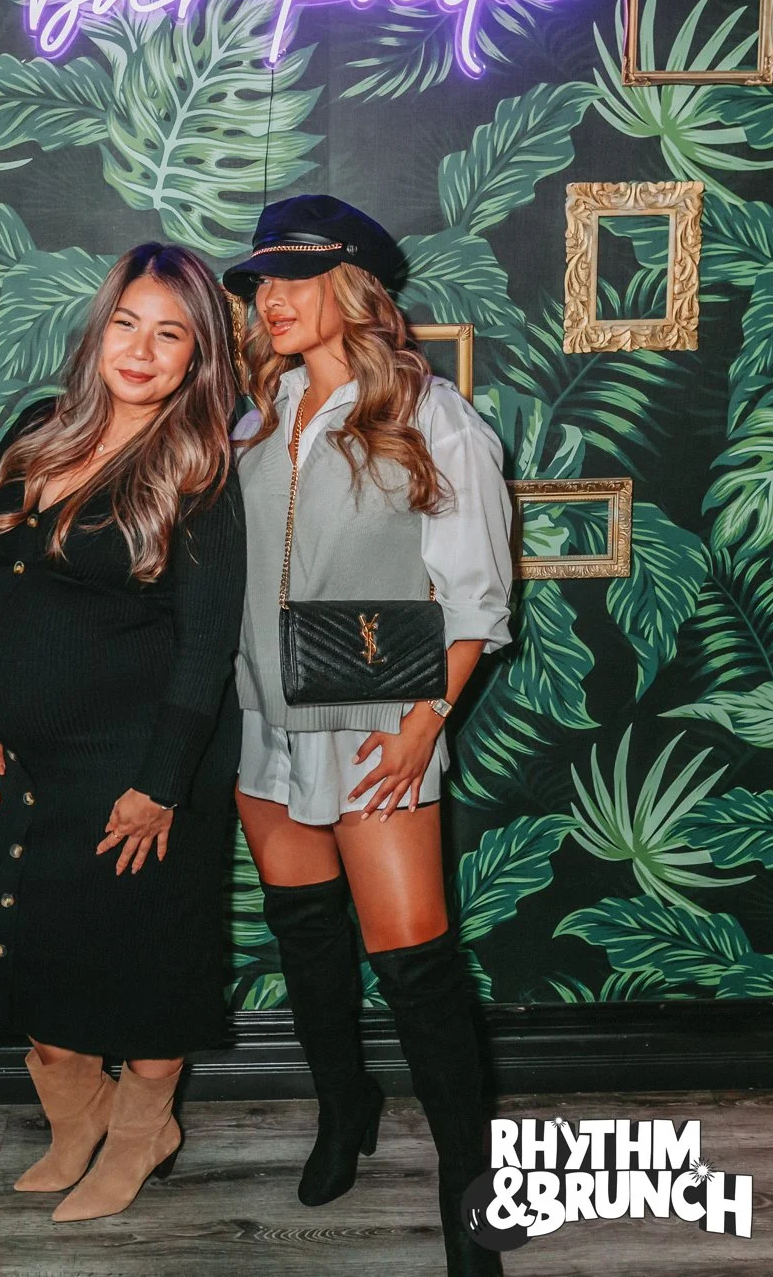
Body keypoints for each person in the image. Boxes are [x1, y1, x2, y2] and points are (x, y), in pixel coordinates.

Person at [224, 195, 512, 1277]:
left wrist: (425, 722)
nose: (272, 298)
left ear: (353, 289)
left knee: (415, 965)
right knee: (305, 939)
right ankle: (344, 1108)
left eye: (295, 278)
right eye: (262, 280)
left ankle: (472, 1192)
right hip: (262, 717)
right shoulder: (256, 413)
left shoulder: (433, 415)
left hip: (376, 718)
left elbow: (477, 596)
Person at [0, 243, 246, 1224]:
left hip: (140, 762)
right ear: (100, 327)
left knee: (145, 964)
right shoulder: (40, 428)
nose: (141, 350)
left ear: (198, 357)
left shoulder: (199, 468)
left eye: (171, 335)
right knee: (31, 955)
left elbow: (206, 646)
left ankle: (139, 1133)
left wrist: (161, 785)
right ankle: (78, 1124)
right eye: (127, 323)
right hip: (24, 760)